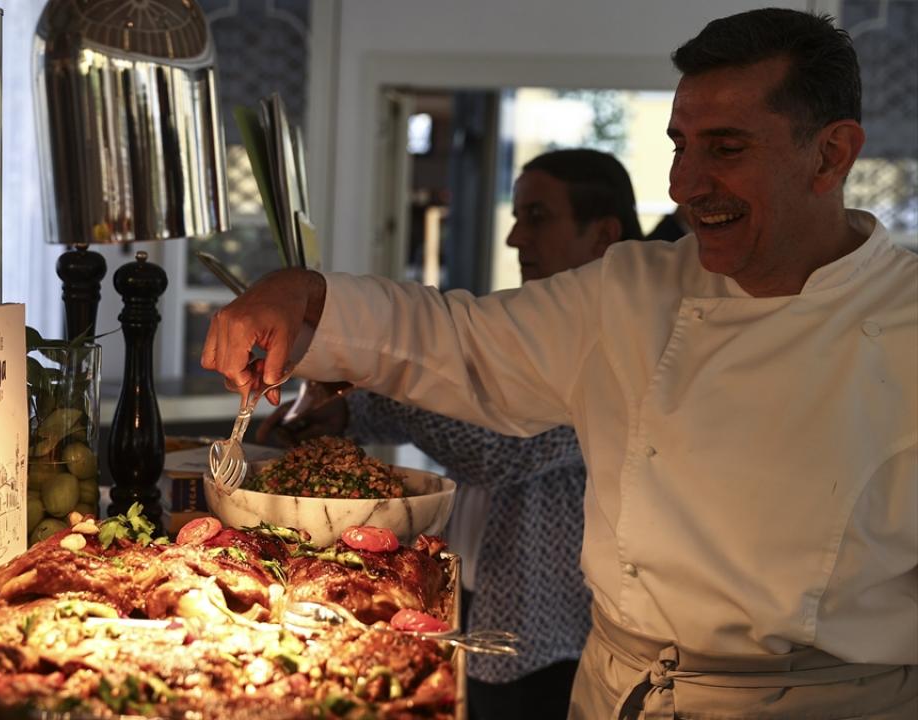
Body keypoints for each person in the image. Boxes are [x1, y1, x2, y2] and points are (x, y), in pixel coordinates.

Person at [203, 8, 916, 719]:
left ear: (831, 155)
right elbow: (460, 340)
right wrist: (306, 297)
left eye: (726, 148)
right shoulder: (632, 288)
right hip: (616, 690)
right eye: (680, 147)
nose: (684, 185)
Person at [258, 149, 646, 720]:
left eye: (538, 217)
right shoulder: (531, 330)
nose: (515, 237)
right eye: (516, 216)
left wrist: (374, 374)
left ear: (604, 235)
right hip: (474, 585)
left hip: (545, 634)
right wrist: (344, 417)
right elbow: (450, 405)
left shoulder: (620, 347)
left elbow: (494, 450)